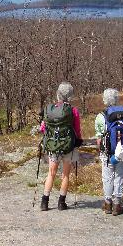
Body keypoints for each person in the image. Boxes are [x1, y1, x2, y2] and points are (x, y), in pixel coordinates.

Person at [40, 82, 82, 211]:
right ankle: (61, 203)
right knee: (65, 174)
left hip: (53, 145)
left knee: (51, 173)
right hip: (68, 146)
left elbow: (43, 129)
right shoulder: (73, 111)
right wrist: (79, 140)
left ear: (58, 94)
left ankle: (44, 202)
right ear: (70, 96)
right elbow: (77, 129)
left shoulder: (50, 109)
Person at [95, 88, 123, 216]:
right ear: (117, 99)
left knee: (107, 177)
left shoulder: (100, 117)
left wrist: (101, 150)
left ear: (104, 100)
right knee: (120, 176)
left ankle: (107, 204)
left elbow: (99, 139)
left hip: (107, 152)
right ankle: (117, 205)